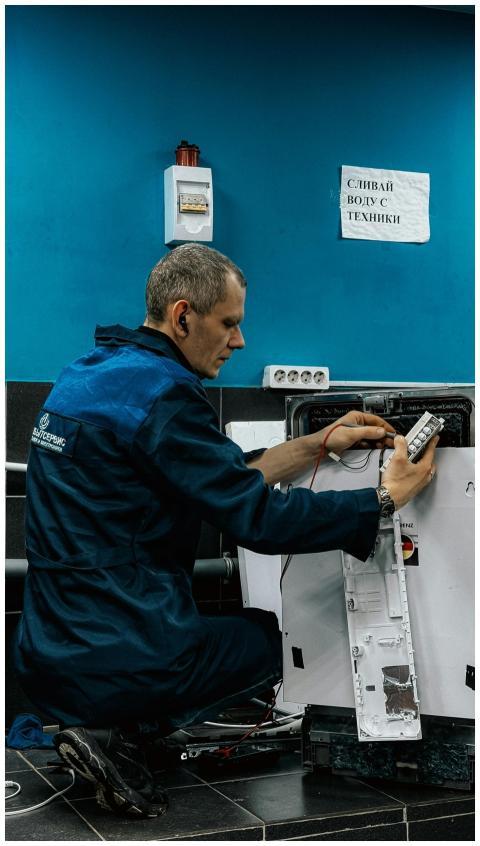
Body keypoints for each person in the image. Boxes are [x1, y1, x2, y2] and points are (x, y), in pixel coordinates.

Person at [14, 243, 438, 818]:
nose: (239, 341)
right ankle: (117, 733)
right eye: (230, 323)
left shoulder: (90, 376)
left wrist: (317, 443)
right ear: (183, 316)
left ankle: (104, 728)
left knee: (203, 632)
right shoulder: (165, 394)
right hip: (123, 654)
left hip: (45, 656)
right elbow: (256, 517)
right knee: (266, 639)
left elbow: (211, 477)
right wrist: (384, 499)